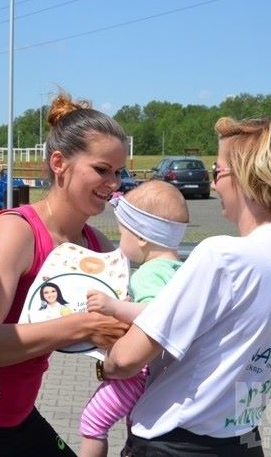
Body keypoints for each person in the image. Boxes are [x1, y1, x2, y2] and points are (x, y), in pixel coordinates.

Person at [0, 91, 131, 457]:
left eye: (118, 172)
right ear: (59, 163)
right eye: (101, 170)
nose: (113, 184)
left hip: (15, 419)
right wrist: (83, 326)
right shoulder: (17, 231)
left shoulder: (98, 248)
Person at [102, 116, 271, 456]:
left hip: (177, 442)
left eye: (218, 171)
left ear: (247, 176)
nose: (216, 184)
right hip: (242, 439)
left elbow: (127, 359)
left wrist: (103, 365)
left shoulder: (222, 255)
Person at [80, 180, 189, 457]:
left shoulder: (149, 273)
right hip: (164, 372)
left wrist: (114, 307)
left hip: (138, 372)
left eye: (122, 234)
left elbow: (156, 315)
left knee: (93, 423)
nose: (120, 241)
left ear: (141, 237)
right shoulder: (181, 271)